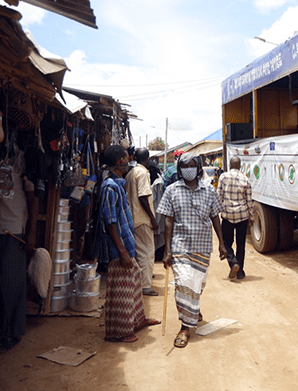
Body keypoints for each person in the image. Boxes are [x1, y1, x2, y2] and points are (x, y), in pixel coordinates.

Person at [157, 152, 226, 348]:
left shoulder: (209, 190)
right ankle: (185, 327)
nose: (189, 170)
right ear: (179, 169)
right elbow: (168, 220)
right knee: (183, 283)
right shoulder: (171, 191)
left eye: (192, 166)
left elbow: (215, 217)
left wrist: (222, 243)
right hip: (180, 246)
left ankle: (193, 307)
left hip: (202, 247)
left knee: (197, 284)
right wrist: (167, 250)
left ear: (198, 168)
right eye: (185, 166)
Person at [96, 145, 160, 343]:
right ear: (119, 162)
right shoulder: (110, 187)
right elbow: (110, 222)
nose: (129, 161)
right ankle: (119, 331)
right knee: (120, 291)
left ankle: (137, 320)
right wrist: (122, 251)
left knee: (133, 284)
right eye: (126, 159)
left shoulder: (119, 183)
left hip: (127, 243)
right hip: (119, 248)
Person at [0, 144, 35, 354]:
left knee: (10, 284)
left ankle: (12, 333)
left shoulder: (21, 162)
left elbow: (33, 198)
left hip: (13, 230)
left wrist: (31, 232)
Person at [124, 148, 159, 296]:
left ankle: (139, 282)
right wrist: (152, 218)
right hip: (143, 219)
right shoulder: (143, 173)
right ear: (148, 159)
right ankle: (145, 286)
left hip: (132, 218)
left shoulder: (130, 173)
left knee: (139, 253)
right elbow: (143, 196)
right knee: (147, 253)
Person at [218, 156, 254, 280]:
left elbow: (219, 196)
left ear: (230, 165)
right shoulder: (245, 179)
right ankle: (240, 272)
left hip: (227, 215)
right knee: (241, 244)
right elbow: (249, 201)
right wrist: (252, 216)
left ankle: (233, 262)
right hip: (242, 216)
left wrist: (216, 211)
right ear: (240, 166)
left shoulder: (223, 177)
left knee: (226, 242)